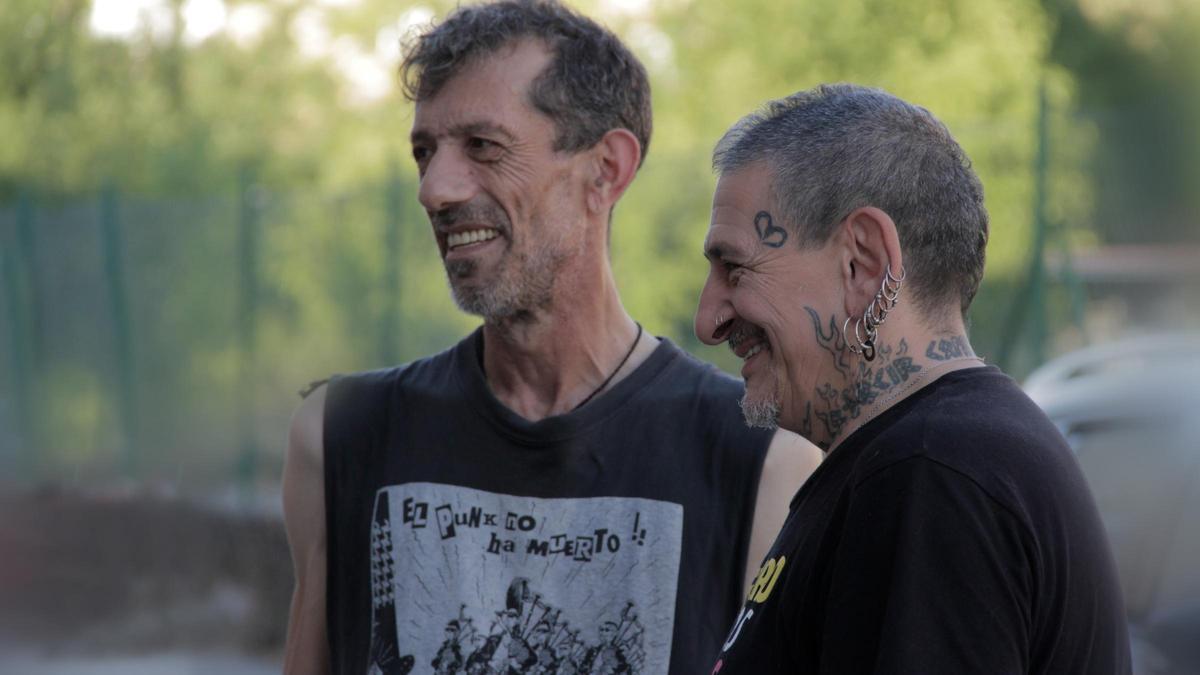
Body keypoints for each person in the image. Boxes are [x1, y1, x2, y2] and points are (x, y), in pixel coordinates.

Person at [280, 2, 821, 674]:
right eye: (425, 151)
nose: (435, 189)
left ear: (606, 169)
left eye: (483, 146)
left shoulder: (763, 463)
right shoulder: (340, 436)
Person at [695, 84, 1131, 673]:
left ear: (863, 264)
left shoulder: (928, 476)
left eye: (735, 267)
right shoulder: (935, 460)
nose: (708, 319)